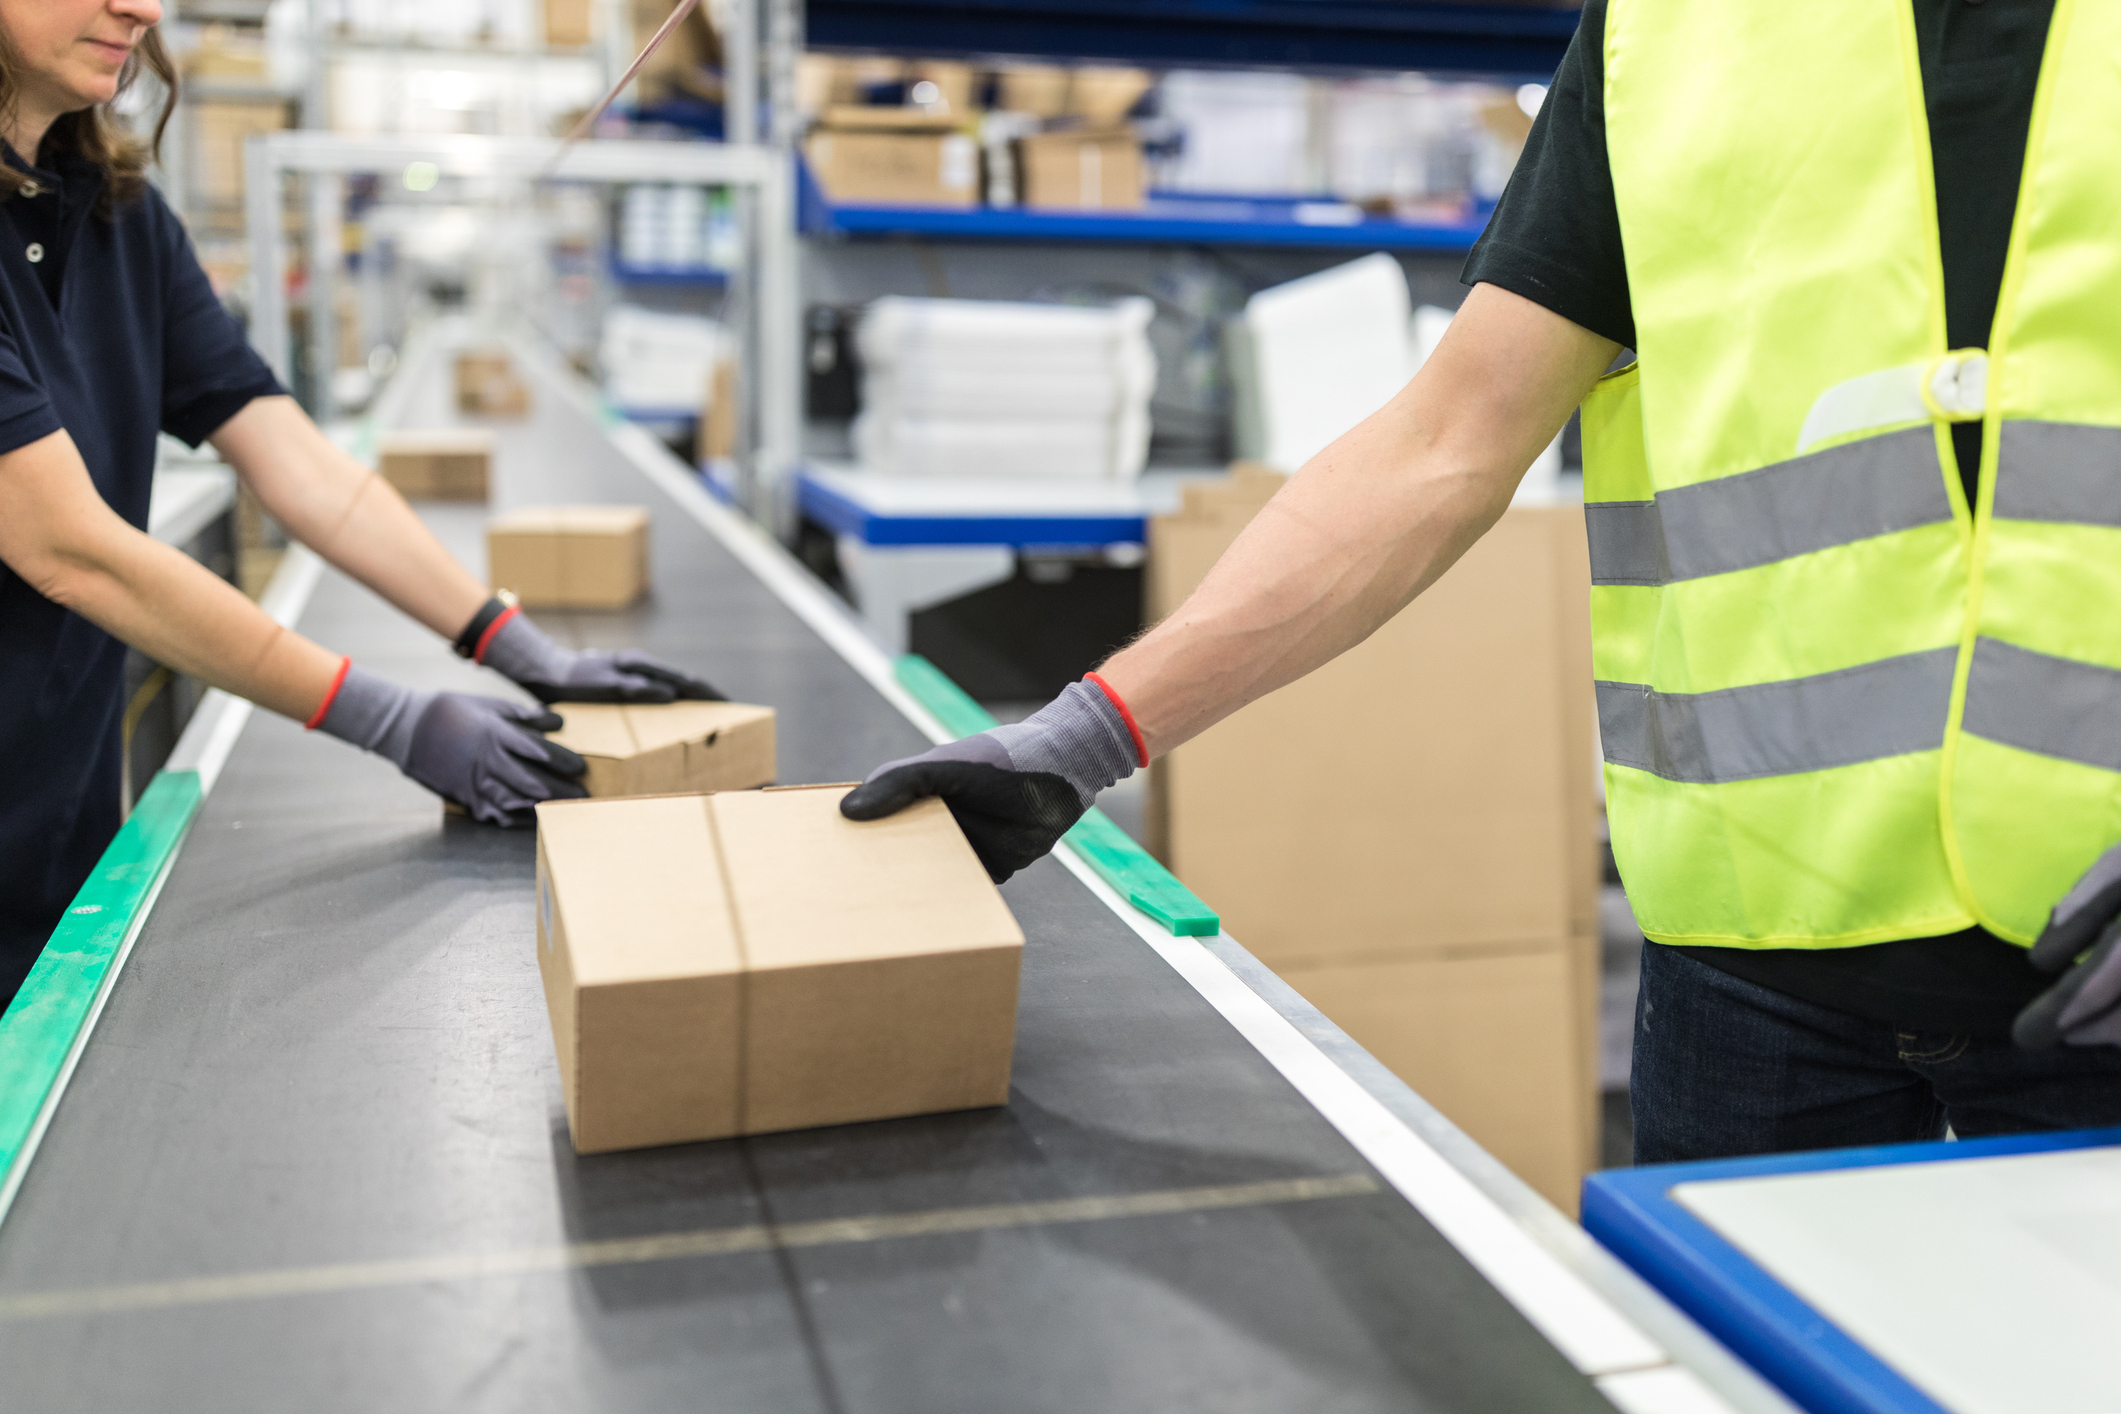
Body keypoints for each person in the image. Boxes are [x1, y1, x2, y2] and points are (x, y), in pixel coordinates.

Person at [844, 0, 2121, 1163]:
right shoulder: (1671, 29)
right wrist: (1079, 741)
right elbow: (1448, 442)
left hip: (2086, 980)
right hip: (1758, 963)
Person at [0, 0, 717, 1007]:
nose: (143, 8)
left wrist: (509, 641)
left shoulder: (120, 215)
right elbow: (72, 550)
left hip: (56, 820)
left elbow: (289, 454)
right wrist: (393, 721)